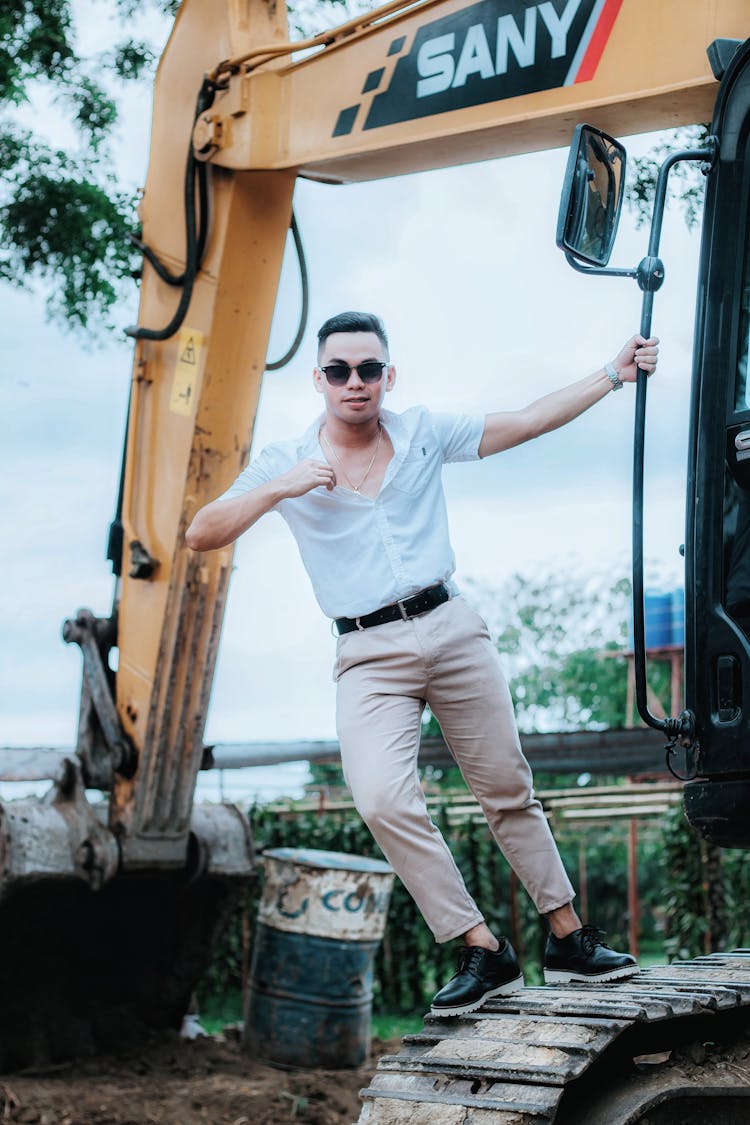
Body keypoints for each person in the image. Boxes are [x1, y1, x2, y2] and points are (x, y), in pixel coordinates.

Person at [186, 311, 659, 1017]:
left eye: (369, 369)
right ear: (319, 379)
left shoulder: (423, 433)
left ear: (388, 375)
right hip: (367, 650)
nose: (356, 382)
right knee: (380, 796)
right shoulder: (284, 460)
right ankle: (480, 944)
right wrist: (281, 488)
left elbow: (526, 420)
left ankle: (567, 936)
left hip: (450, 626)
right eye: (340, 371)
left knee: (506, 788)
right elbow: (200, 531)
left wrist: (610, 375)